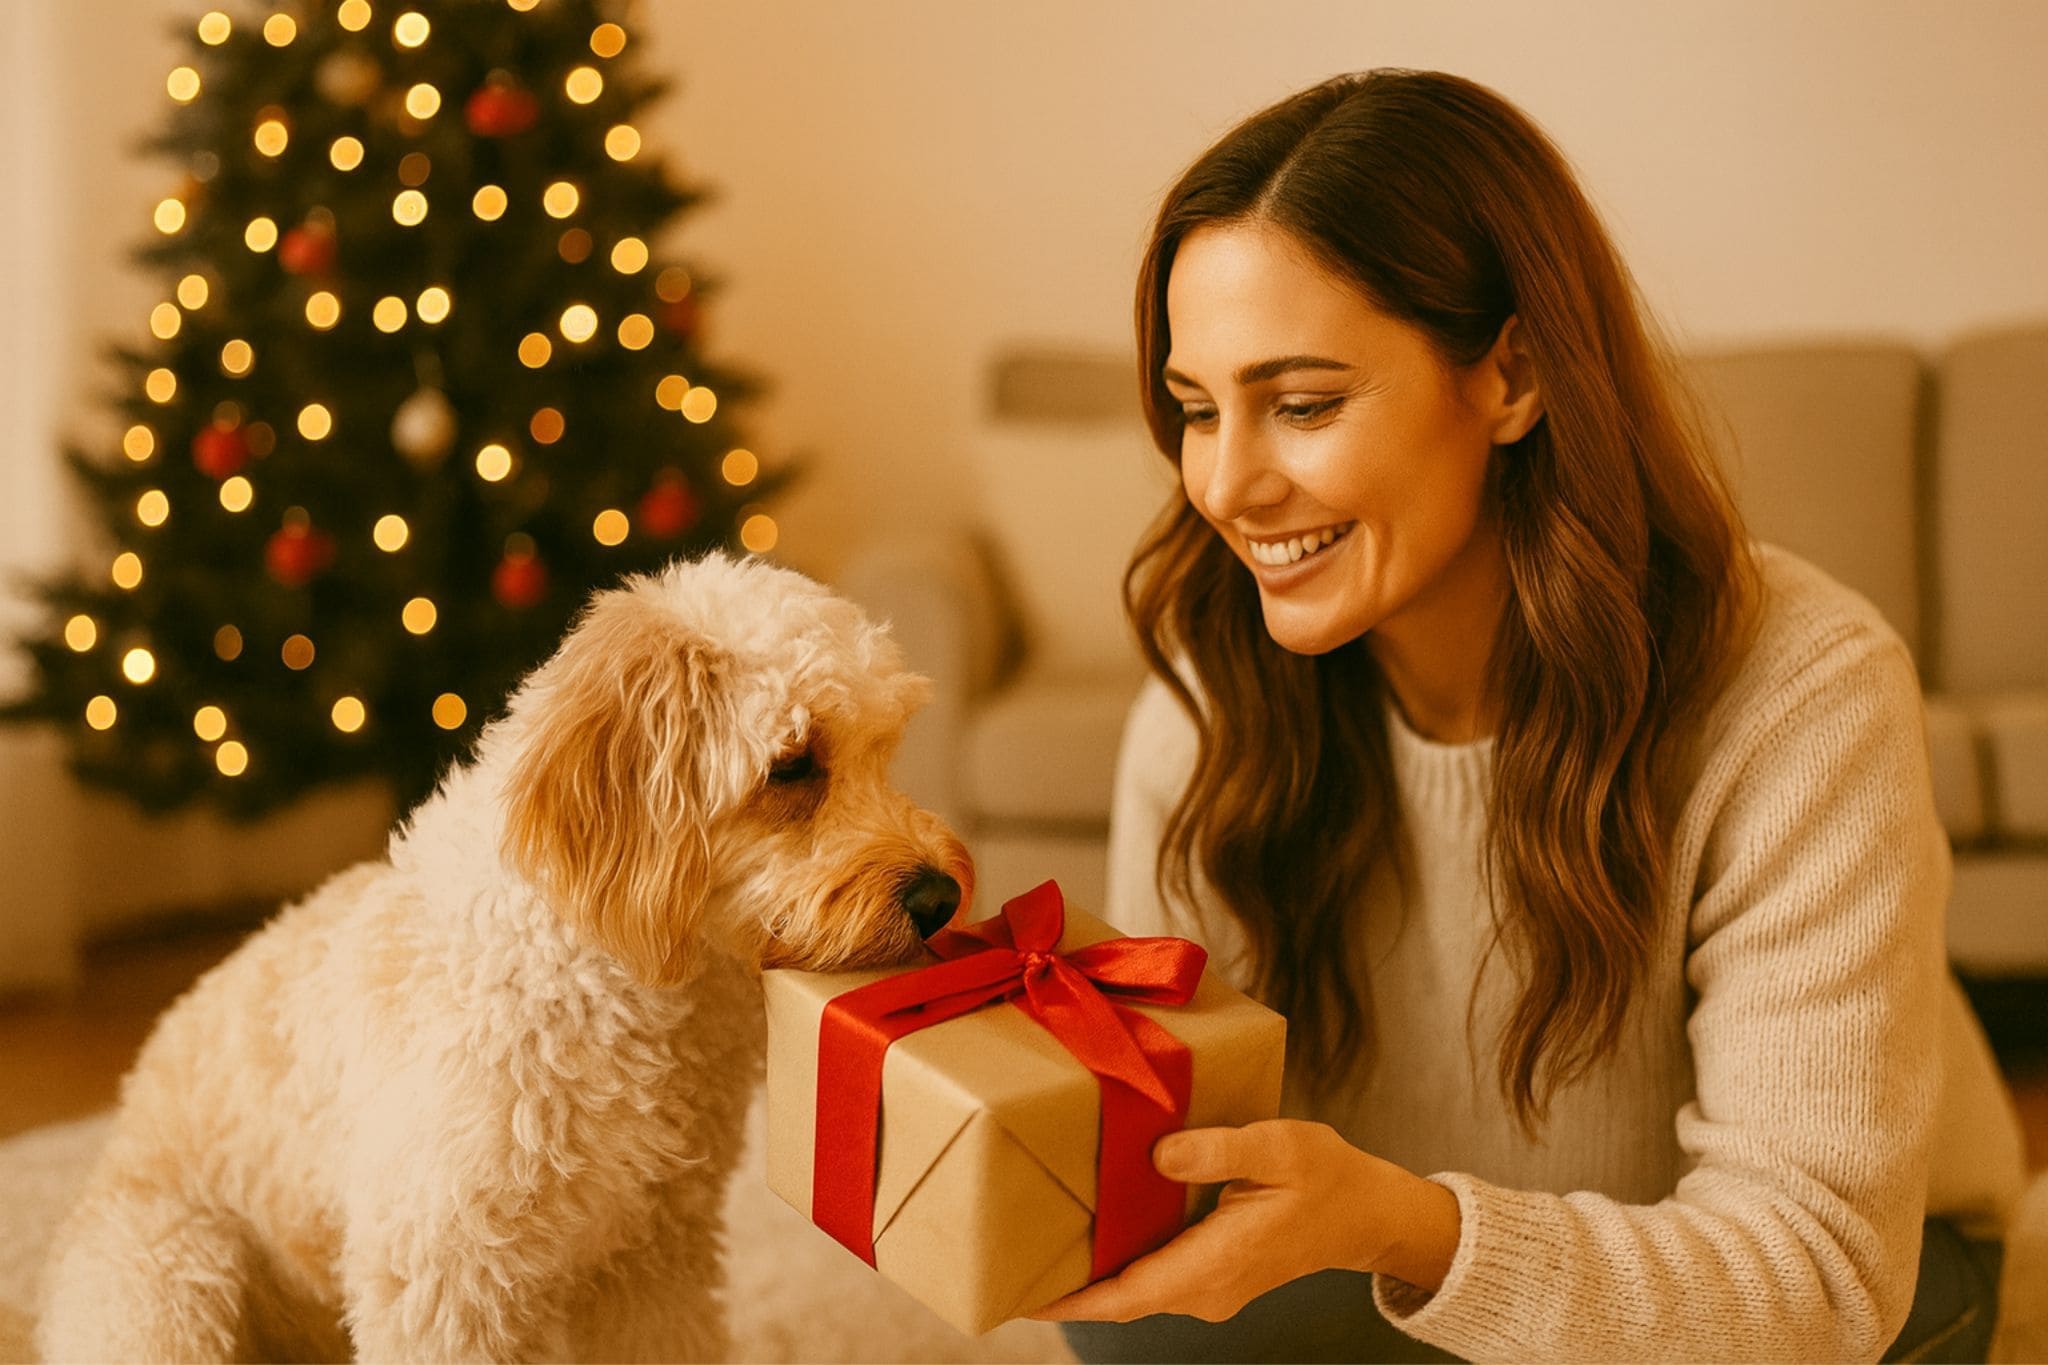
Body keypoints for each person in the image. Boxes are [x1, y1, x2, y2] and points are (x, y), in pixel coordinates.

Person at [1030, 70, 2026, 1362]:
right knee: (1134, 1334)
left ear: (1514, 373)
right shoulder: (1213, 677)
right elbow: (1181, 1144)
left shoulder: (1803, 689)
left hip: (1831, 1285)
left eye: (1306, 403)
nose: (1225, 484)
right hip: (1411, 1250)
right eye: (1198, 407)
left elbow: (1816, 1282)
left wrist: (1413, 1229)